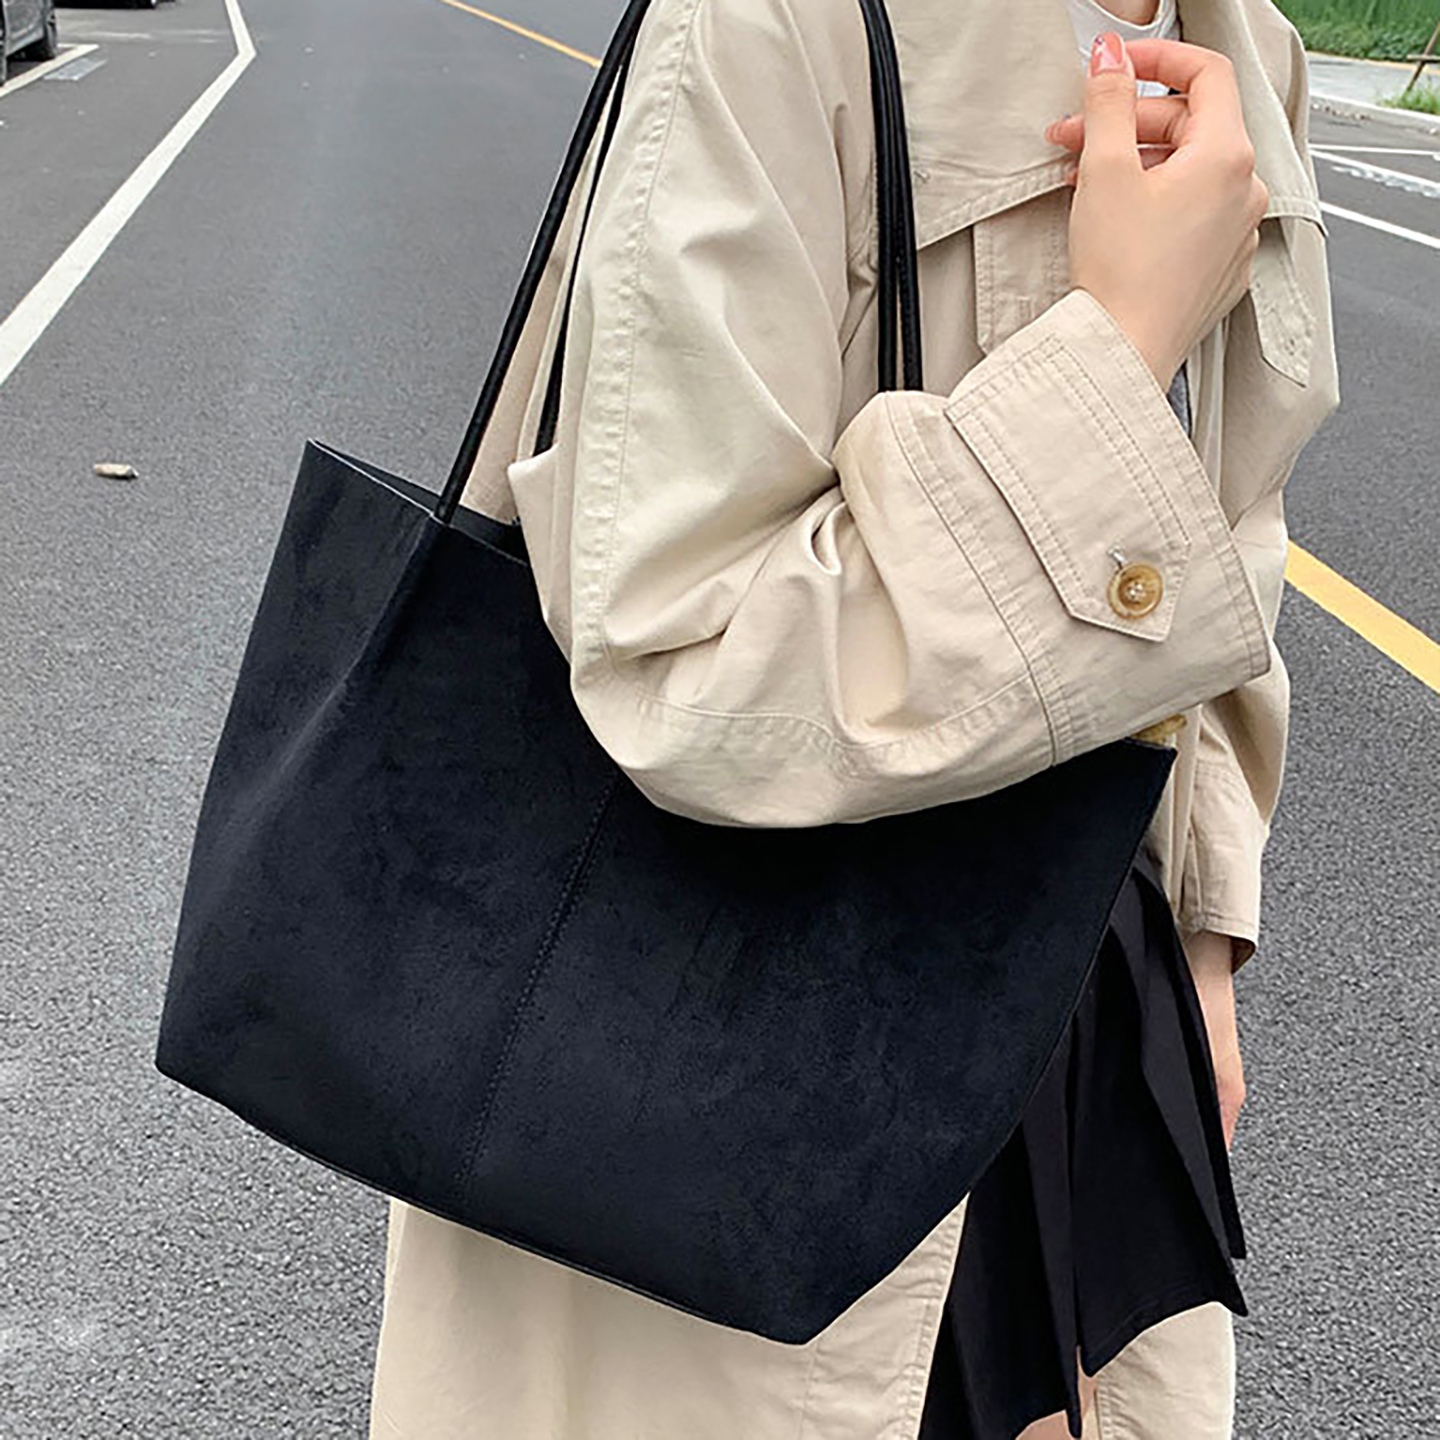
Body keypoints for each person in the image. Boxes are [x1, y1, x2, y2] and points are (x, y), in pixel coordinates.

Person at [368, 0, 1340, 1434]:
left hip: (1081, 1001)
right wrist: (1117, 347)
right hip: (739, 1038)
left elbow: (1229, 523)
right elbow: (679, 655)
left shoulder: (1247, 41)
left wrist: (1205, 939)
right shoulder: (773, 22)